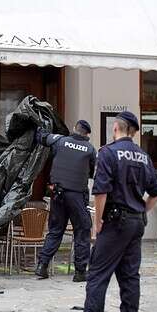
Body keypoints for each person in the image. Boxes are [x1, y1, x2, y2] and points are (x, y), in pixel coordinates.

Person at [67, 111, 157, 312]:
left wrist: (97, 223)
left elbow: (101, 191)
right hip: (136, 222)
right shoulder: (143, 156)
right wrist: (141, 211)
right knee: (130, 276)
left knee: (97, 275)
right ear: (133, 131)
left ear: (116, 128)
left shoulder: (108, 153)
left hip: (115, 222)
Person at [35, 120, 96, 282]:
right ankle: (80, 272)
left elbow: (41, 137)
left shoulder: (60, 140)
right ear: (87, 134)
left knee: (55, 231)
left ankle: (42, 266)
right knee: (82, 231)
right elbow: (91, 172)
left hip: (58, 193)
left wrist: (40, 126)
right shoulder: (90, 149)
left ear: (75, 129)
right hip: (77, 195)